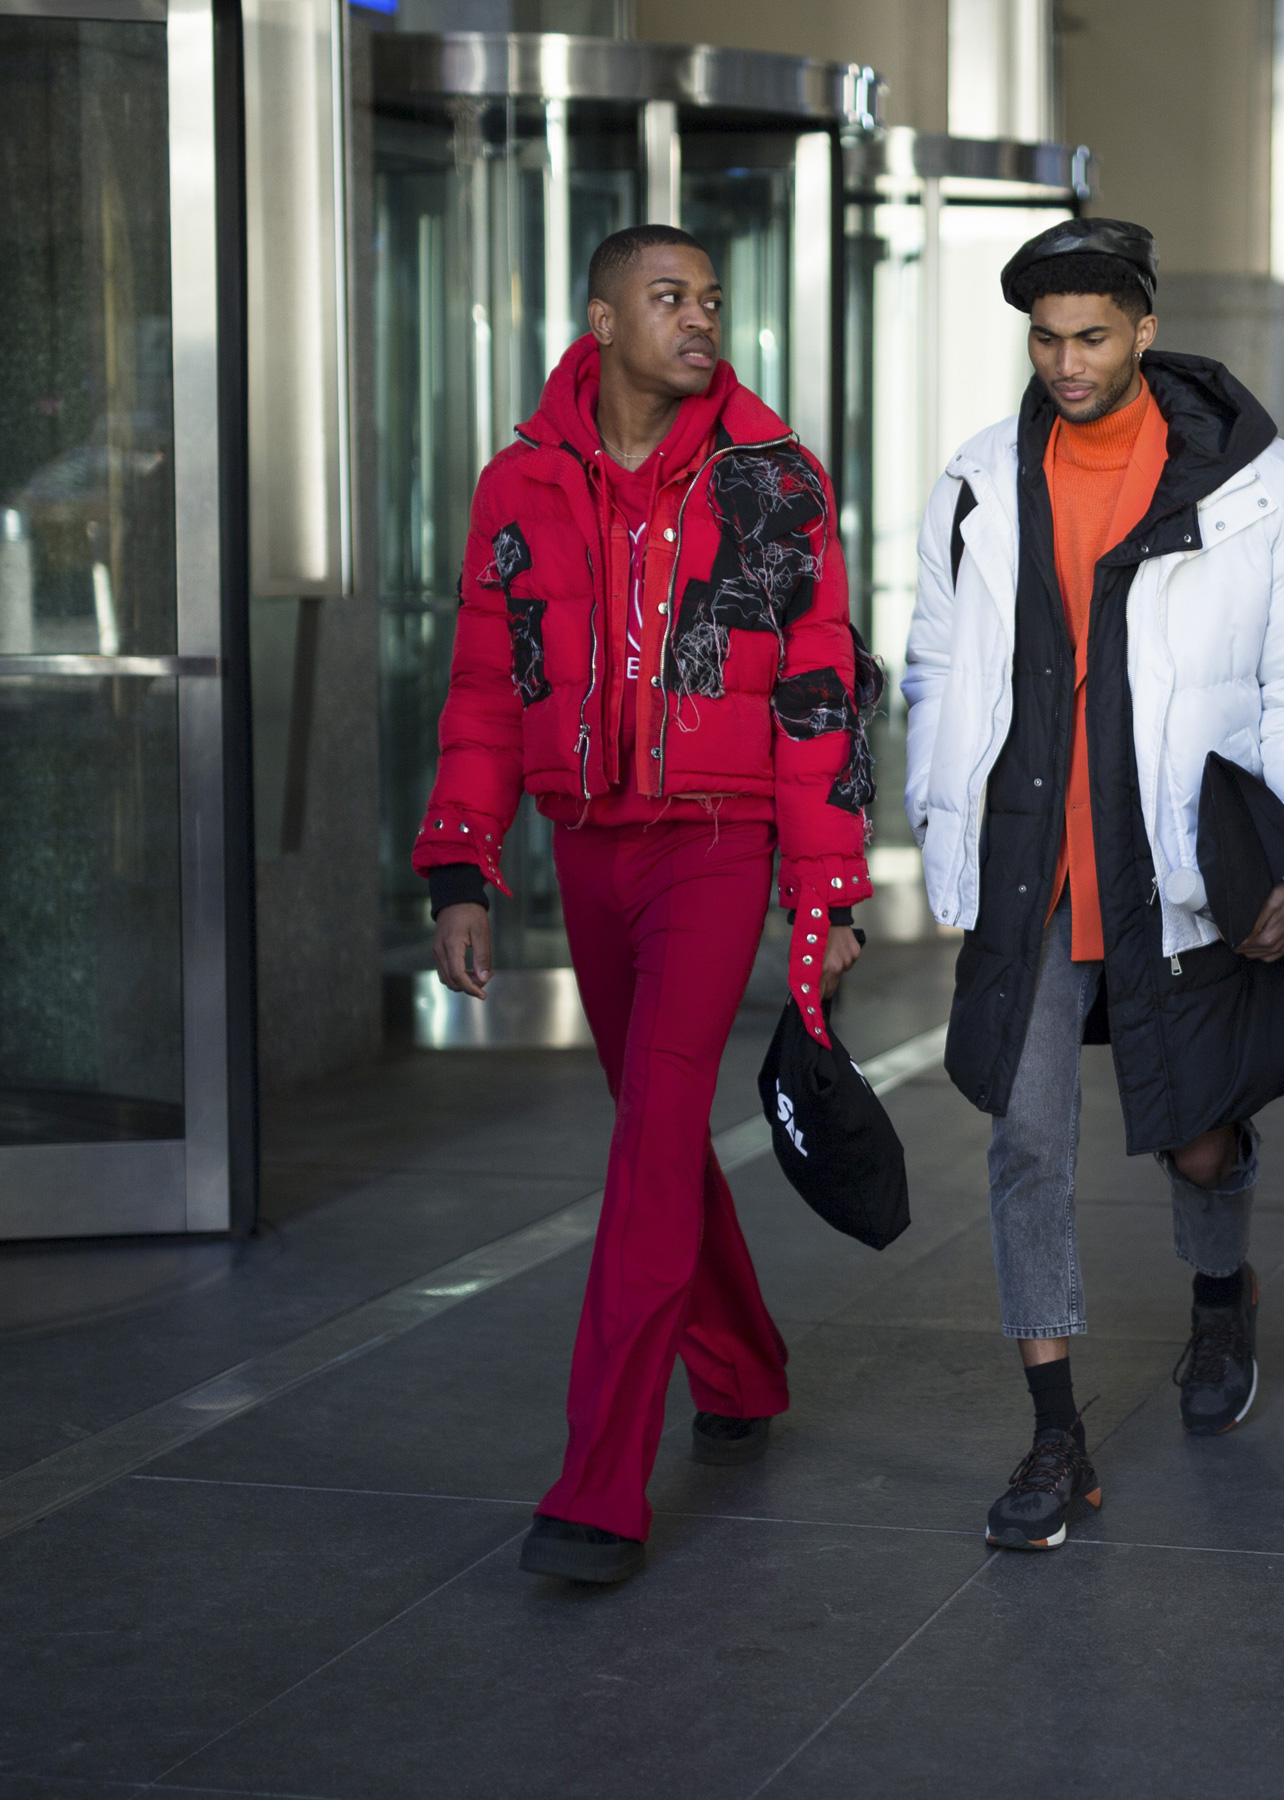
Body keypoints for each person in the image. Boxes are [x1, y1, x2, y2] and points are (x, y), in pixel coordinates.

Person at [903, 218, 1284, 1552]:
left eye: (1093, 337)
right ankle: (1055, 1434)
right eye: (1047, 340)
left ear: (1146, 331)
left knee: (1197, 1130)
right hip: (1033, 865)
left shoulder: (1254, 483)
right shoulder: (980, 480)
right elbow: (939, 661)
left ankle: (1221, 1297)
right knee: (1026, 1138)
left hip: (1180, 854)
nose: (1067, 363)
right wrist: (941, 821)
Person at [418, 225, 875, 1585]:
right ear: (603, 319)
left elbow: (820, 691)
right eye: (670, 299)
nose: (700, 321)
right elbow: (487, 684)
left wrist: (824, 892)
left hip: (717, 845)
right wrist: (461, 863)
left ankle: (598, 1486)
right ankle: (740, 1364)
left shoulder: (772, 479)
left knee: (659, 1126)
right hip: (588, 845)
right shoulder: (520, 481)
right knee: (655, 1129)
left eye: (711, 301)